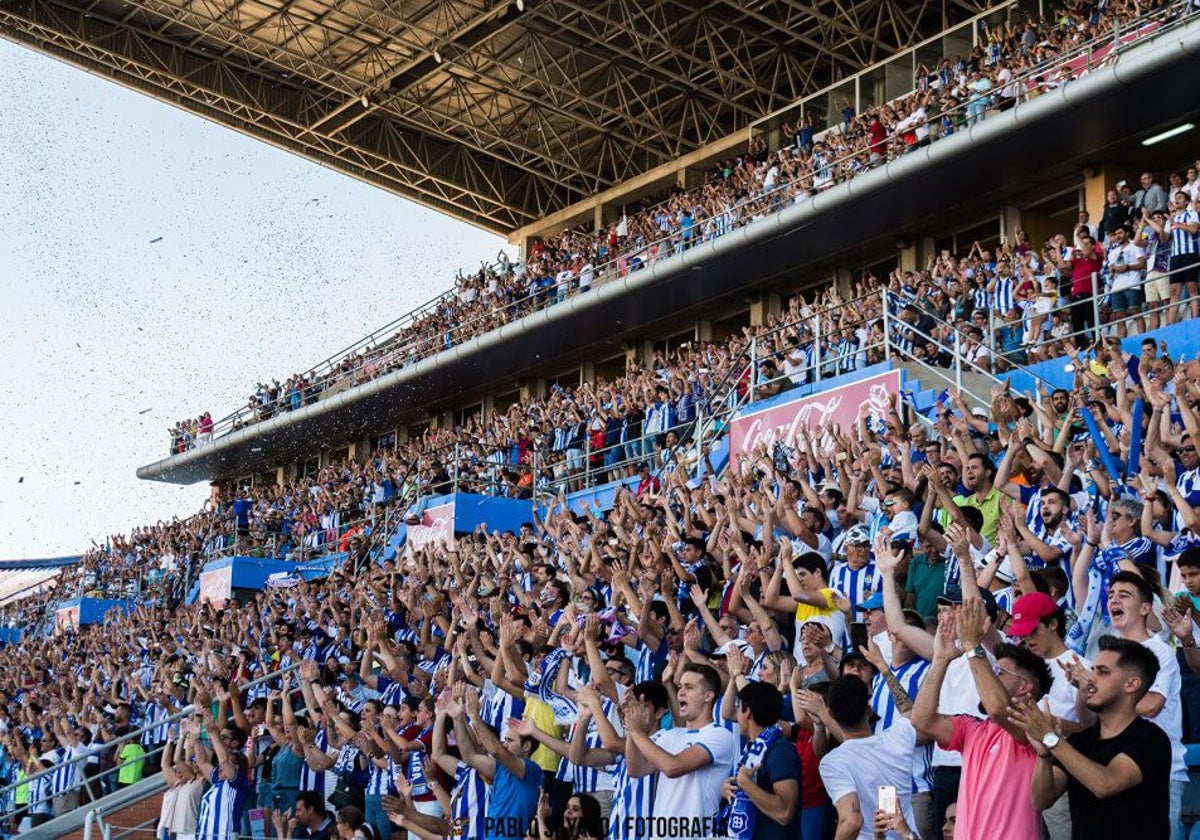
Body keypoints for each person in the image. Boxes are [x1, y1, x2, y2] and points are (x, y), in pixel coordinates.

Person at [911, 598, 1052, 840]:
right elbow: (922, 721)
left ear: (1025, 688)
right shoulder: (973, 729)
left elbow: (998, 708)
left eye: (1000, 672)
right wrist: (940, 660)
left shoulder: (1034, 727)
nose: (992, 676)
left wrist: (972, 645)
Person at [1016, 635, 1171, 840]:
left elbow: (1105, 784)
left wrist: (1051, 738)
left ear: (1131, 684)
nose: (1090, 678)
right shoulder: (1080, 741)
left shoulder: (1151, 739)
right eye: (1093, 670)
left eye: (1102, 672)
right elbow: (1041, 800)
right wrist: (1043, 754)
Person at [626, 663, 738, 828]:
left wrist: (636, 732)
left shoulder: (720, 736)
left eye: (689, 687)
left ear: (708, 696)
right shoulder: (671, 734)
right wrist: (631, 726)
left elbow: (673, 768)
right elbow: (637, 769)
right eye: (680, 687)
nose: (681, 692)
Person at [818, 675, 917, 839]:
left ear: (830, 714)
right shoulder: (898, 738)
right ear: (869, 710)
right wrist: (883, 667)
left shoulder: (832, 762)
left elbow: (852, 821)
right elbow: (908, 711)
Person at [451, 689, 543, 840]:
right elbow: (468, 756)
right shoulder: (500, 767)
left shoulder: (531, 770)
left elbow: (495, 750)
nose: (505, 744)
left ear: (527, 747)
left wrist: (474, 716)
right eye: (505, 740)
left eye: (510, 741)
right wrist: (458, 718)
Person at [721, 682, 801, 840]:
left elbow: (784, 812)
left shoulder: (780, 751)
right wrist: (730, 790)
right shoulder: (753, 747)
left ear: (747, 712)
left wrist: (745, 782)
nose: (736, 714)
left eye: (739, 708)